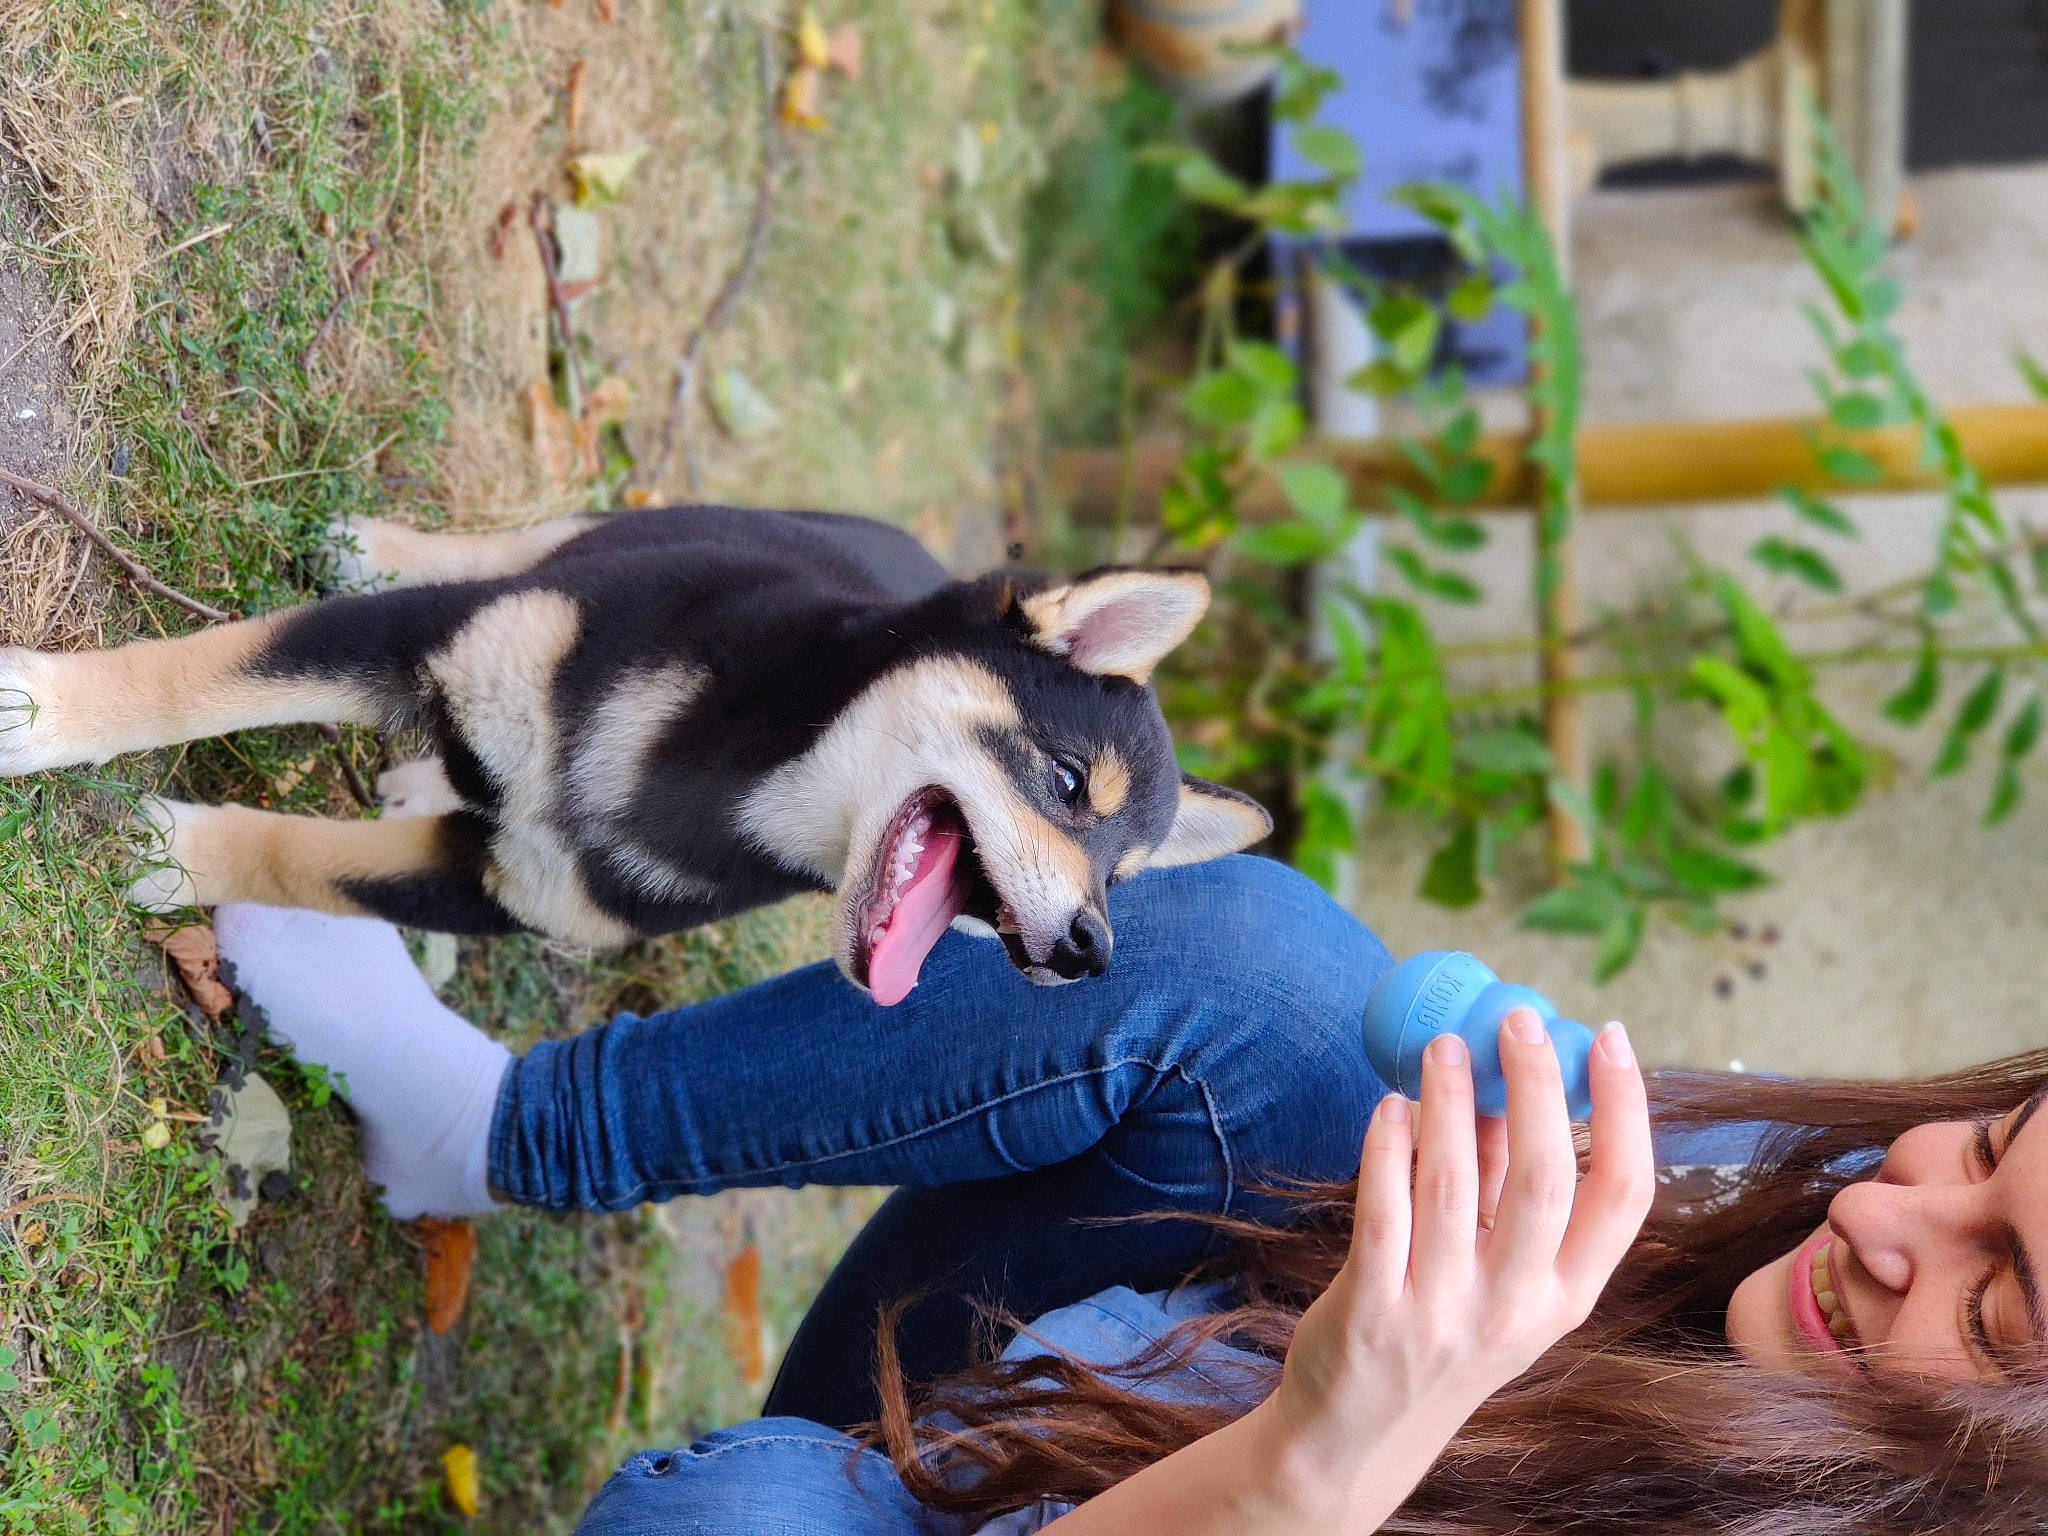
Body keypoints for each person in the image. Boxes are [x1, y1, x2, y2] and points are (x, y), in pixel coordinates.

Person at [215, 854, 2048, 1534]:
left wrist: (1329, 1456)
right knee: (1269, 987)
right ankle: (502, 1128)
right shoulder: (1780, 1220)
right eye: (1974, 1155)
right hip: (1029, 1425)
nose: (1885, 1227)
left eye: (1993, 1308)